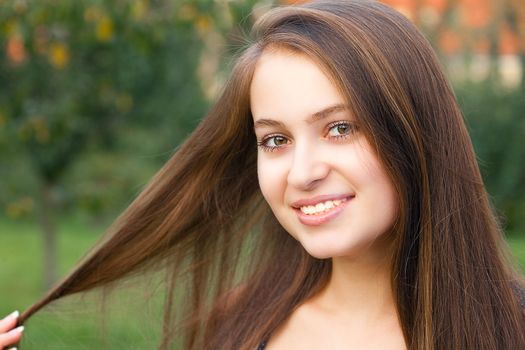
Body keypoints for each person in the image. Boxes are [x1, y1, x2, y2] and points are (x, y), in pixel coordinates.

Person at [2, 0, 525, 349]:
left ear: (413, 133)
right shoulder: (237, 326)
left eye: (340, 128)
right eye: (275, 140)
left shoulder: (508, 328)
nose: (302, 172)